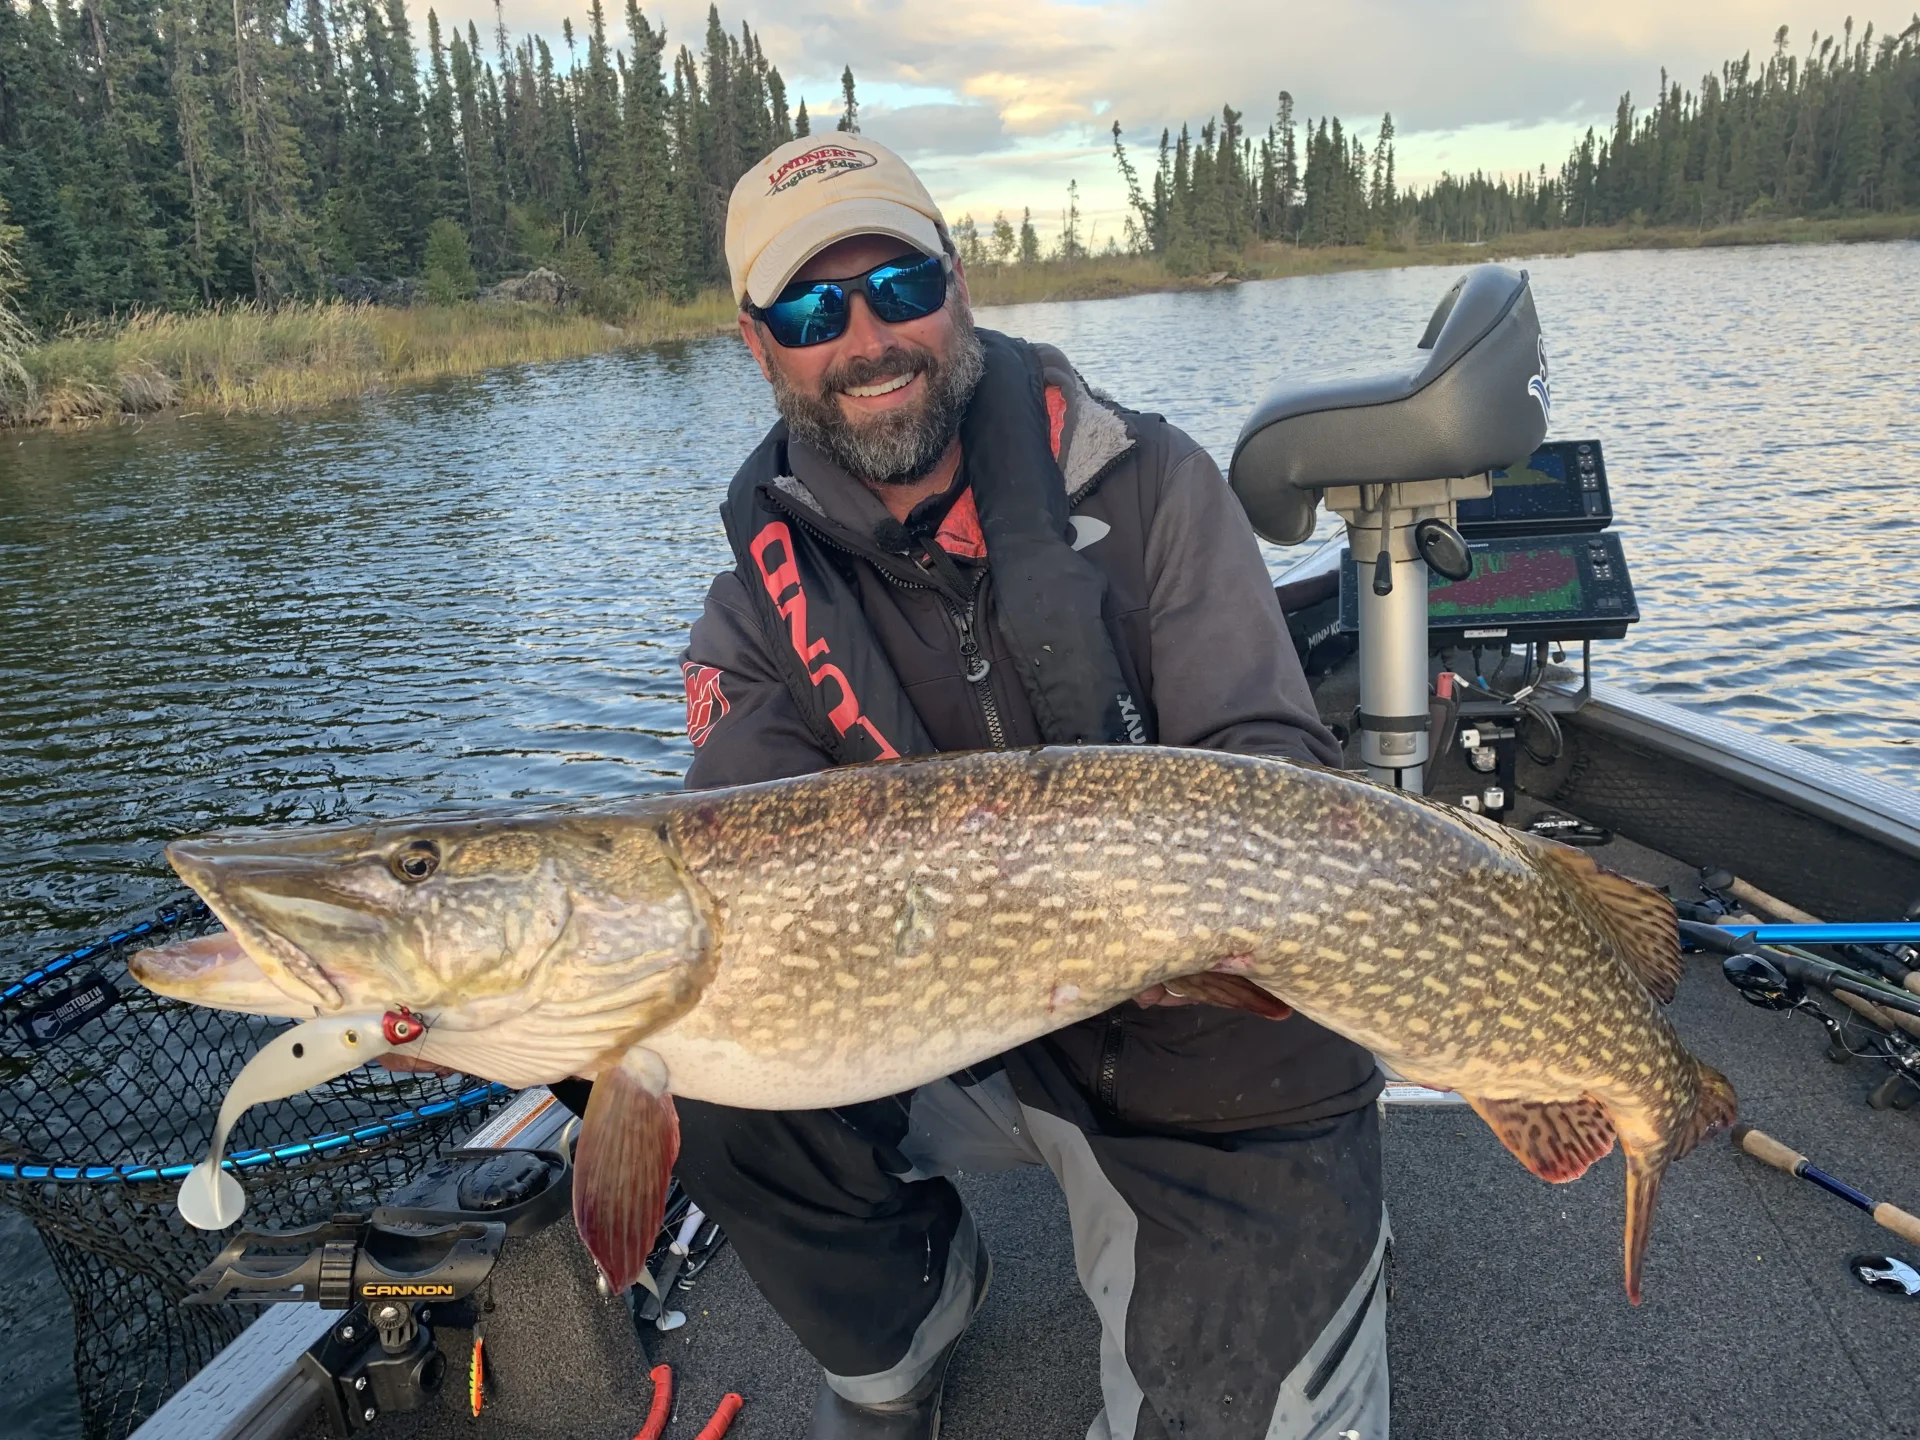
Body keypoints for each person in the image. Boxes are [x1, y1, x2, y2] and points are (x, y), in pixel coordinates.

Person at [671, 133, 1388, 1440]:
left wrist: (1188, 925)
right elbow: (737, 889)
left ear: (959, 287)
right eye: (816, 308)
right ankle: (904, 1318)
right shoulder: (751, 623)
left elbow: (1271, 764)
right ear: (758, 343)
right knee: (699, 1078)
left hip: (1196, 1041)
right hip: (936, 1025)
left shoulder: (1154, 484)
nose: (870, 338)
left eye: (900, 287)